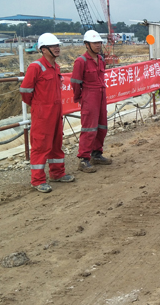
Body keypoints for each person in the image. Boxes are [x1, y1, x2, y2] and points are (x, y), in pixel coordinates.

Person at [20, 33, 75, 193]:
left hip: (56, 112)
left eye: (57, 45)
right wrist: (38, 105)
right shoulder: (35, 67)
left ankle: (57, 173)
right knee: (40, 145)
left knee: (56, 143)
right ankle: (37, 180)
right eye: (53, 46)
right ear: (43, 49)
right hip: (42, 114)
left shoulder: (55, 67)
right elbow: (25, 91)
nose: (57, 48)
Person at [71, 30, 112, 173]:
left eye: (99, 42)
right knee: (89, 128)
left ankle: (96, 154)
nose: (98, 45)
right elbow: (75, 82)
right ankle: (84, 159)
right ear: (87, 45)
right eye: (94, 43)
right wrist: (79, 97)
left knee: (102, 126)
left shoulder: (101, 59)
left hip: (101, 95)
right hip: (89, 96)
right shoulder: (80, 61)